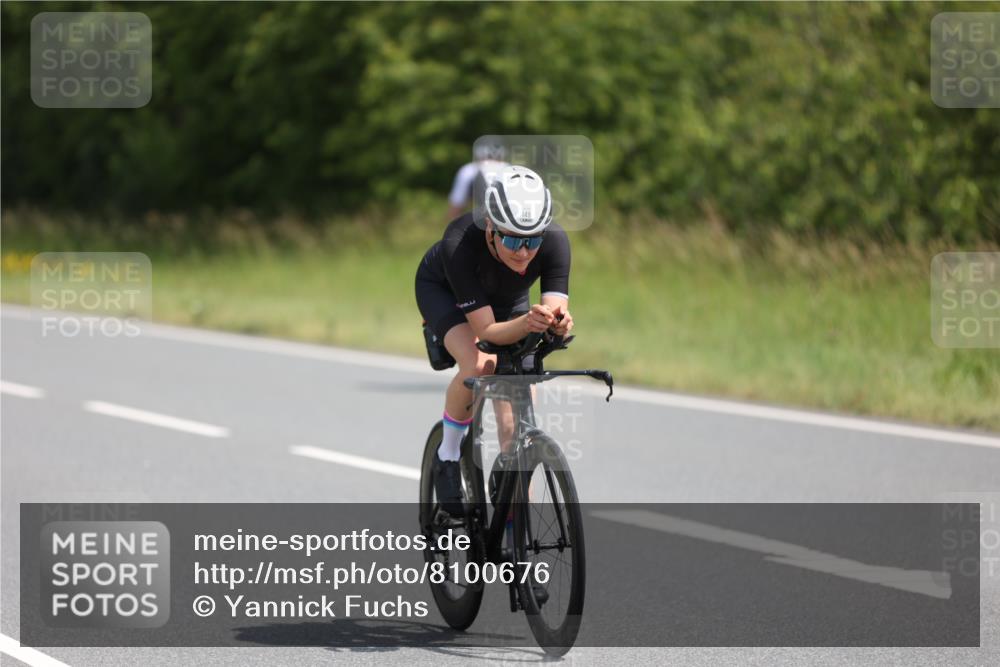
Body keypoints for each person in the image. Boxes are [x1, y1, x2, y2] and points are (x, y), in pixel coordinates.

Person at [416, 165, 574, 515]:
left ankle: (514, 509)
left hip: (508, 299)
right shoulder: (460, 240)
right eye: (513, 239)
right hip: (446, 292)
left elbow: (553, 307)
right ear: (490, 227)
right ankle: (449, 455)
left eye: (533, 240)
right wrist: (529, 323)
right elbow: (487, 333)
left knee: (519, 392)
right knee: (481, 363)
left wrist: (556, 322)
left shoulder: (556, 241)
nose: (523, 251)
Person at [445, 139, 508, 222]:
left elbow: (457, 204)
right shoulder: (510, 168)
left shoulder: (469, 170)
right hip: (511, 222)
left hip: (482, 220)